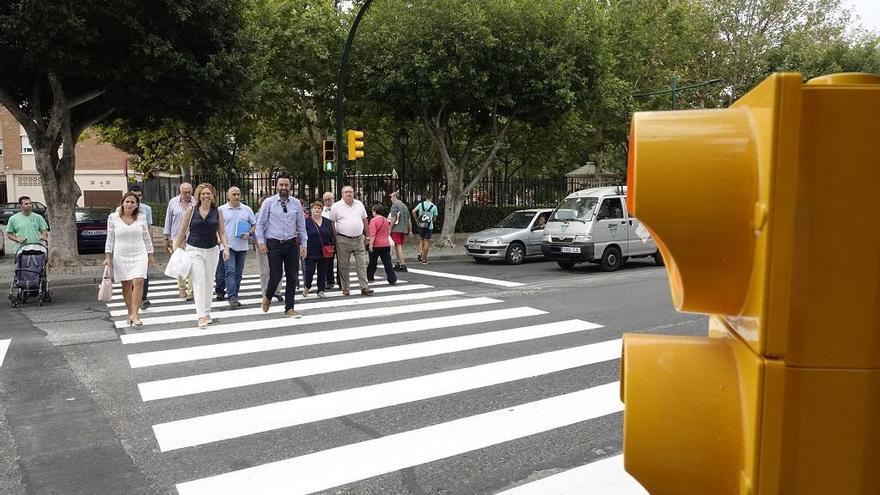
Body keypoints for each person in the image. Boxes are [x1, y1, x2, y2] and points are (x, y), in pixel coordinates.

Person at [175, 183, 230, 329]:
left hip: (212, 249)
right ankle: (200, 316)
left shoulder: (217, 212)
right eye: (203, 194)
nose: (206, 196)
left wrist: (226, 247)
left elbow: (222, 232)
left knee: (208, 281)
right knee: (199, 281)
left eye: (208, 193)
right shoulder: (191, 210)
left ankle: (207, 312)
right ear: (199, 196)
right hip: (194, 249)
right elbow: (182, 231)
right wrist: (176, 248)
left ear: (213, 195)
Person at [255, 173, 308, 318]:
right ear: (277, 186)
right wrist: (261, 242)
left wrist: (304, 244)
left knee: (292, 276)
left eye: (286, 185)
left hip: (291, 243)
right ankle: (268, 296)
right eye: (281, 185)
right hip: (274, 243)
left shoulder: (296, 203)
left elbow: (301, 226)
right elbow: (260, 225)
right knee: (276, 276)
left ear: (290, 186)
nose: (284, 188)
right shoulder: (269, 203)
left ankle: (289, 308)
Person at [104, 192, 156, 327]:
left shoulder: (141, 217)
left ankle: (135, 314)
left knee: (139, 280)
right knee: (126, 284)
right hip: (121, 254)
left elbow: (146, 236)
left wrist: (150, 254)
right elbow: (110, 238)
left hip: (139, 252)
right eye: (127, 201)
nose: (129, 204)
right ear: (122, 203)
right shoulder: (113, 217)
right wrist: (107, 257)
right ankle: (130, 312)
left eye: (133, 202)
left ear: (137, 205)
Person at [214, 187, 256, 309]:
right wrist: (218, 238)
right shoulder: (221, 210)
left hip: (242, 246)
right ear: (228, 196)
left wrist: (249, 233)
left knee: (238, 273)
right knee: (230, 271)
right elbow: (216, 226)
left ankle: (227, 292)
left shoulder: (247, 210)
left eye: (238, 194)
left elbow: (254, 225)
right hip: (227, 246)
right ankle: (232, 297)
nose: (236, 196)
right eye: (234, 194)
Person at [328, 185, 374, 296]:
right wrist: (335, 238)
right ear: (342, 193)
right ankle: (345, 288)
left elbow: (365, 220)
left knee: (361, 264)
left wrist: (368, 236)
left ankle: (364, 286)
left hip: (359, 239)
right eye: (346, 192)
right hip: (342, 239)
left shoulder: (359, 204)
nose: (348, 194)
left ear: (354, 193)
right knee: (343, 265)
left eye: (350, 192)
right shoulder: (336, 206)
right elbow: (331, 223)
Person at [163, 182, 194, 300]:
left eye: (189, 192)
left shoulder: (196, 202)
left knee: (192, 265)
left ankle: (191, 290)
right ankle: (182, 287)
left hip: (192, 238)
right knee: (180, 264)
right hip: (177, 237)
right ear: (180, 192)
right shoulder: (173, 202)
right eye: (184, 192)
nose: (187, 194)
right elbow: (168, 220)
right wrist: (166, 238)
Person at [303, 201, 334, 299]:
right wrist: (302, 248)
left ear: (322, 210)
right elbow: (302, 236)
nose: (317, 210)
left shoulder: (327, 222)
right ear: (311, 210)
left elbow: (331, 235)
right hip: (310, 250)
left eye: (319, 208)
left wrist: (332, 247)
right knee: (310, 271)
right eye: (314, 208)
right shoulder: (306, 222)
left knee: (322, 271)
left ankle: (321, 290)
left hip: (324, 251)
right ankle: (307, 286)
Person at [129, 185, 154, 310]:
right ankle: (133, 296)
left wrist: (150, 248)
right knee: (130, 273)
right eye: (134, 195)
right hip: (128, 246)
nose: (136, 198)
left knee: (143, 273)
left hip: (142, 245)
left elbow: (149, 228)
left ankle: (143, 298)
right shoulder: (122, 209)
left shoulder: (146, 210)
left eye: (139, 195)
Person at [254, 195, 283, 303]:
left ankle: (277, 291)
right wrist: (259, 243)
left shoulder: (276, 214)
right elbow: (256, 230)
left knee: (278, 269)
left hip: (276, 244)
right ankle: (266, 292)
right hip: (263, 245)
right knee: (265, 271)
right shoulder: (257, 215)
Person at [367, 203, 398, 285]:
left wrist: (370, 244)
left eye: (372, 211)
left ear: (375, 211)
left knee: (372, 262)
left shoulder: (373, 221)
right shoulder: (385, 220)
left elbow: (372, 234)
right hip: (386, 244)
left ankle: (370, 277)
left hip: (376, 244)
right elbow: (388, 231)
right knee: (387, 263)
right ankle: (392, 278)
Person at [387, 191, 412, 272]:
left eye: (391, 197)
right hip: (404, 229)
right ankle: (398, 264)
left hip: (396, 229)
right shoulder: (405, 206)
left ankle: (403, 265)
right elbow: (409, 219)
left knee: (398, 246)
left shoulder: (395, 205)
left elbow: (393, 218)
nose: (390, 199)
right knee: (399, 246)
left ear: (395, 197)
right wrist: (410, 230)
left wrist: (390, 228)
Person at [412, 193, 439, 264]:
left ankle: (421, 252)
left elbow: (413, 211)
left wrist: (416, 220)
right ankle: (424, 259)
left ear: (425, 197)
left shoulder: (421, 204)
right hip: (429, 226)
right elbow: (435, 219)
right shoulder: (434, 206)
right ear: (432, 197)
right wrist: (431, 219)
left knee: (421, 239)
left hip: (421, 225)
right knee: (426, 241)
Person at [321, 191, 336, 288]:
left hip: (339, 235)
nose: (327, 201)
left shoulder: (338, 208)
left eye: (329, 199)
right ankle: (329, 280)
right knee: (328, 260)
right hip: (327, 238)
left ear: (333, 199)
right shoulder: (322, 210)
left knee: (342, 261)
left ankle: (341, 282)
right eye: (325, 199)